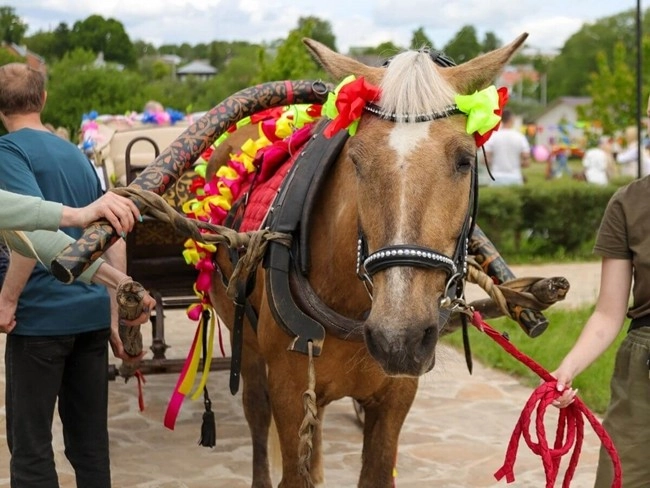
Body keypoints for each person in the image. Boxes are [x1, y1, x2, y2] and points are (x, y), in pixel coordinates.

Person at [0, 62, 135, 487]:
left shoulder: (8, 153)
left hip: (40, 321)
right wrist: (112, 311)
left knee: (32, 450)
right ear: (43, 99)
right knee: (91, 446)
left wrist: (7, 299)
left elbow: (30, 231)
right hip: (90, 319)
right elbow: (115, 237)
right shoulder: (76, 154)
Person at [551, 165, 650, 483]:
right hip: (642, 365)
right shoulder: (628, 203)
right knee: (621, 477)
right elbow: (609, 312)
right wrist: (568, 368)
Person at [0, 188, 156, 335]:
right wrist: (77, 215)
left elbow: (34, 237)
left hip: (48, 315)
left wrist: (122, 282)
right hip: (53, 315)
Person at [484, 109, 531, 186]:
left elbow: (485, 160)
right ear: (512, 120)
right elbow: (526, 161)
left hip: (496, 177)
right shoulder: (520, 137)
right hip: (515, 177)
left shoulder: (493, 136)